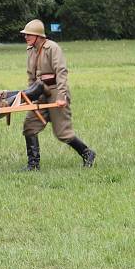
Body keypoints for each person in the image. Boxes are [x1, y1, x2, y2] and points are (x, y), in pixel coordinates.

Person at [20, 19, 96, 169]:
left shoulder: (52, 48)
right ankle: (33, 165)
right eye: (25, 34)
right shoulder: (31, 51)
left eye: (29, 34)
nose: (25, 37)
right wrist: (30, 96)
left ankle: (87, 153)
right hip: (40, 92)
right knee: (29, 126)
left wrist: (62, 96)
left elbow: (61, 72)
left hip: (55, 91)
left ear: (38, 36)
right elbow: (31, 76)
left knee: (62, 132)